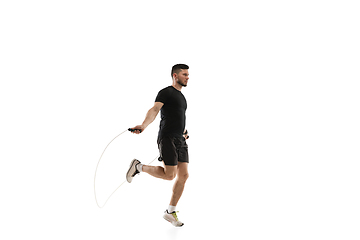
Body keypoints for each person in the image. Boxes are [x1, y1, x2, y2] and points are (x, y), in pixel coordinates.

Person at [127, 64, 190, 227]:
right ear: (175, 76)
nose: (187, 77)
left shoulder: (182, 98)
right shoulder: (166, 92)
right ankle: (138, 167)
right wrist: (143, 125)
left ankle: (170, 212)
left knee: (183, 175)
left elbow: (178, 116)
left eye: (188, 74)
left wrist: (184, 131)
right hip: (167, 137)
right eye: (184, 74)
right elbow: (155, 109)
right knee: (170, 175)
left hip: (180, 140)